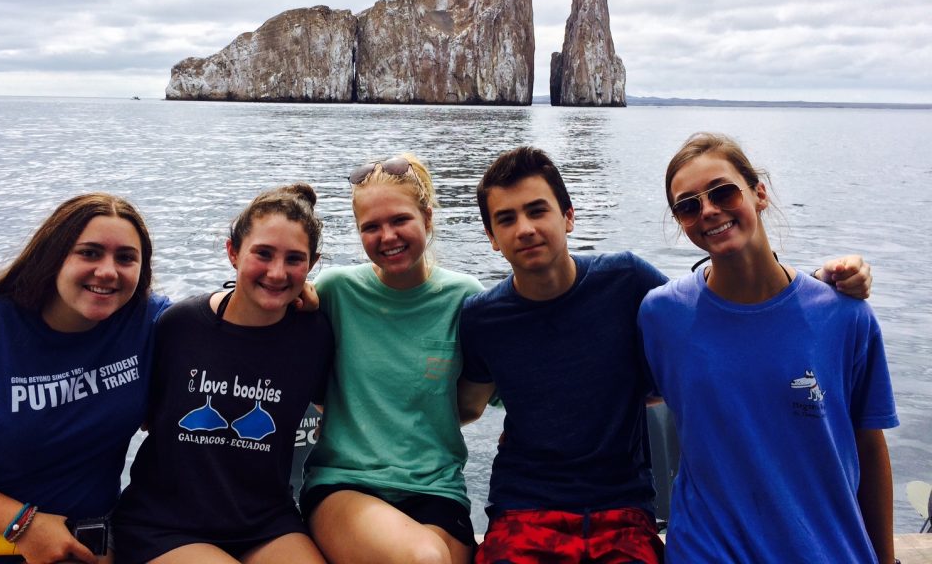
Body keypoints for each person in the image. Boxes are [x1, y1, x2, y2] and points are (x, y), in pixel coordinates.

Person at [456, 145, 873, 564]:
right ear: (491, 238)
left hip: (620, 509)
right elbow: (467, 407)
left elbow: (715, 312)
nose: (524, 228)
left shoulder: (626, 281)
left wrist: (820, 288)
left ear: (568, 216)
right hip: (524, 508)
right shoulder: (482, 317)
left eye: (537, 210)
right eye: (506, 219)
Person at [637, 132, 897, 563]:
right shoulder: (662, 315)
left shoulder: (845, 316)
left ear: (758, 193)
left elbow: (870, 446)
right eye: (688, 205)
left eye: (722, 192)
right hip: (707, 550)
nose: (709, 211)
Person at [0, 193, 167, 564]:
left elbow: (222, 326)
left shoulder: (148, 322)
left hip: (81, 544)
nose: (108, 271)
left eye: (125, 258)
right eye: (89, 253)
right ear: (54, 256)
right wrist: (22, 525)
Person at [112, 185, 333, 564]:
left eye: (294, 259)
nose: (277, 272)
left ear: (311, 266)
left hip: (264, 520)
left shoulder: (314, 335)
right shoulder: (178, 326)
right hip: (165, 523)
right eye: (262, 254)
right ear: (233, 253)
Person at [300, 154, 483, 564]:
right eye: (371, 227)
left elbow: (492, 396)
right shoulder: (334, 292)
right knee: (424, 559)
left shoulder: (466, 298)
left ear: (428, 219)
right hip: (346, 484)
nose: (387, 236)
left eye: (400, 220)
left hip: (437, 489)